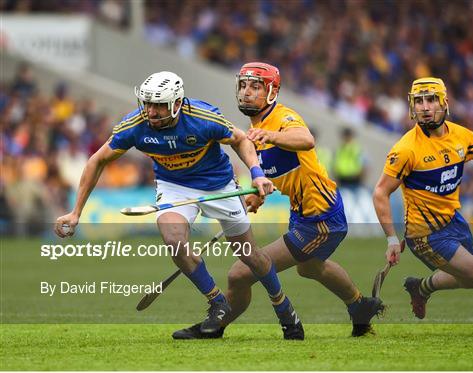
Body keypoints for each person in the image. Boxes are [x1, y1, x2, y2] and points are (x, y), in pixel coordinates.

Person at [54, 71, 303, 340]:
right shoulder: (135, 126)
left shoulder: (202, 118)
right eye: (147, 103)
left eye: (158, 105)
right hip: (174, 186)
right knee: (174, 240)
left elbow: (240, 139)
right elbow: (96, 161)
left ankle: (284, 307)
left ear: (176, 103)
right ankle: (217, 302)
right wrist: (76, 211)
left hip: (218, 185)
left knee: (249, 255)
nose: (150, 111)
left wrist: (256, 172)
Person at [175, 62, 384, 339]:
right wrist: (257, 195)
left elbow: (305, 139)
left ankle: (214, 326)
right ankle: (360, 306)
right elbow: (277, 171)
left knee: (240, 272)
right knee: (309, 268)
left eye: (255, 86)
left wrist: (271, 135)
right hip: (302, 213)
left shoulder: (282, 118)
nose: (246, 92)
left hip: (321, 217)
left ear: (272, 91)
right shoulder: (255, 127)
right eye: (243, 85)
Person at [372, 77, 473, 337]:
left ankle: (422, 288)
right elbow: (380, 192)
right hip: (425, 235)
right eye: (419, 101)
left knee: (469, 279)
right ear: (412, 106)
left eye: (431, 100)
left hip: (455, 222)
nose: (425, 107)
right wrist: (392, 238)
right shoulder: (406, 149)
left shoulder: (461, 136)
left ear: (444, 103)